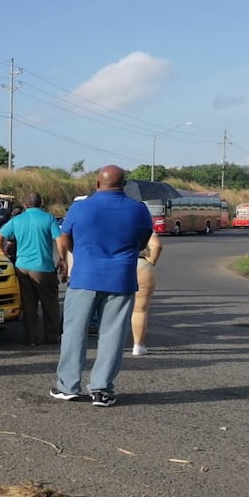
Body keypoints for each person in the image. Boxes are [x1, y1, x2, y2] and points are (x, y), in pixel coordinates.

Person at [50, 165, 153, 408]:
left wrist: (72, 256)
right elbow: (143, 241)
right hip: (120, 278)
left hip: (84, 277)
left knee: (75, 333)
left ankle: (68, 386)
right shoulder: (138, 210)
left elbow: (66, 237)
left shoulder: (81, 207)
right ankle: (102, 390)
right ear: (124, 184)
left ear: (97, 184)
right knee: (113, 335)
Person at [0, 193, 62, 346]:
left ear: (24, 205)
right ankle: (51, 336)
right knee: (49, 303)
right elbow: (60, 240)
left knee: (29, 303)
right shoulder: (49, 218)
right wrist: (62, 258)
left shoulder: (17, 220)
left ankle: (32, 338)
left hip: (22, 267)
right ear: (42, 203)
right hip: (43, 267)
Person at [132, 233, 163, 356]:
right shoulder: (142, 223)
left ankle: (110, 345)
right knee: (139, 310)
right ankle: (138, 345)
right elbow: (156, 245)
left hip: (114, 265)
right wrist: (151, 261)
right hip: (139, 263)